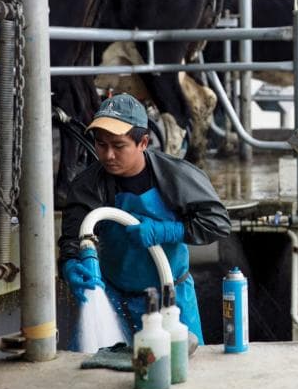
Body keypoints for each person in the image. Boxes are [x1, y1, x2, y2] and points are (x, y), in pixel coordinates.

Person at [58, 93, 230, 347]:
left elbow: (218, 223)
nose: (108, 155)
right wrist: (71, 266)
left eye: (118, 146)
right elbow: (73, 239)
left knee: (184, 371)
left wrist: (167, 231)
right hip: (115, 298)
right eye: (101, 144)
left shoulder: (177, 176)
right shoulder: (87, 186)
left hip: (172, 298)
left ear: (143, 142)